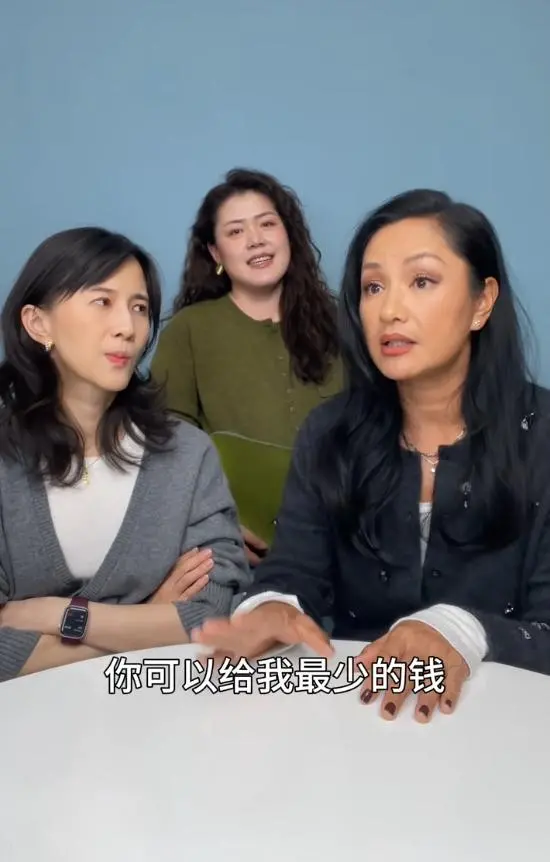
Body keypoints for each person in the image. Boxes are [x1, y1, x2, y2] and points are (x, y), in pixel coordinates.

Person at [191, 188, 550, 721]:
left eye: (422, 281)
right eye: (373, 287)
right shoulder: (330, 432)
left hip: (506, 727)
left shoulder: (541, 435)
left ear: (482, 301)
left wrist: (458, 628)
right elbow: (294, 570)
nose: (390, 310)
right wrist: (272, 607)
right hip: (358, 724)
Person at [0, 226, 251, 683]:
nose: (128, 328)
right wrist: (149, 617)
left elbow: (214, 612)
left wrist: (58, 615)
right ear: (38, 323)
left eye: (140, 307)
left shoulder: (187, 454)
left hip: (162, 709)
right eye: (103, 302)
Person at [150, 168, 344, 564]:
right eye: (236, 231)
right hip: (231, 552)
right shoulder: (189, 329)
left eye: (267, 224)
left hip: (344, 543)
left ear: (289, 234)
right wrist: (216, 529)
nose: (256, 239)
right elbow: (166, 449)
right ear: (215, 253)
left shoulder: (344, 322)